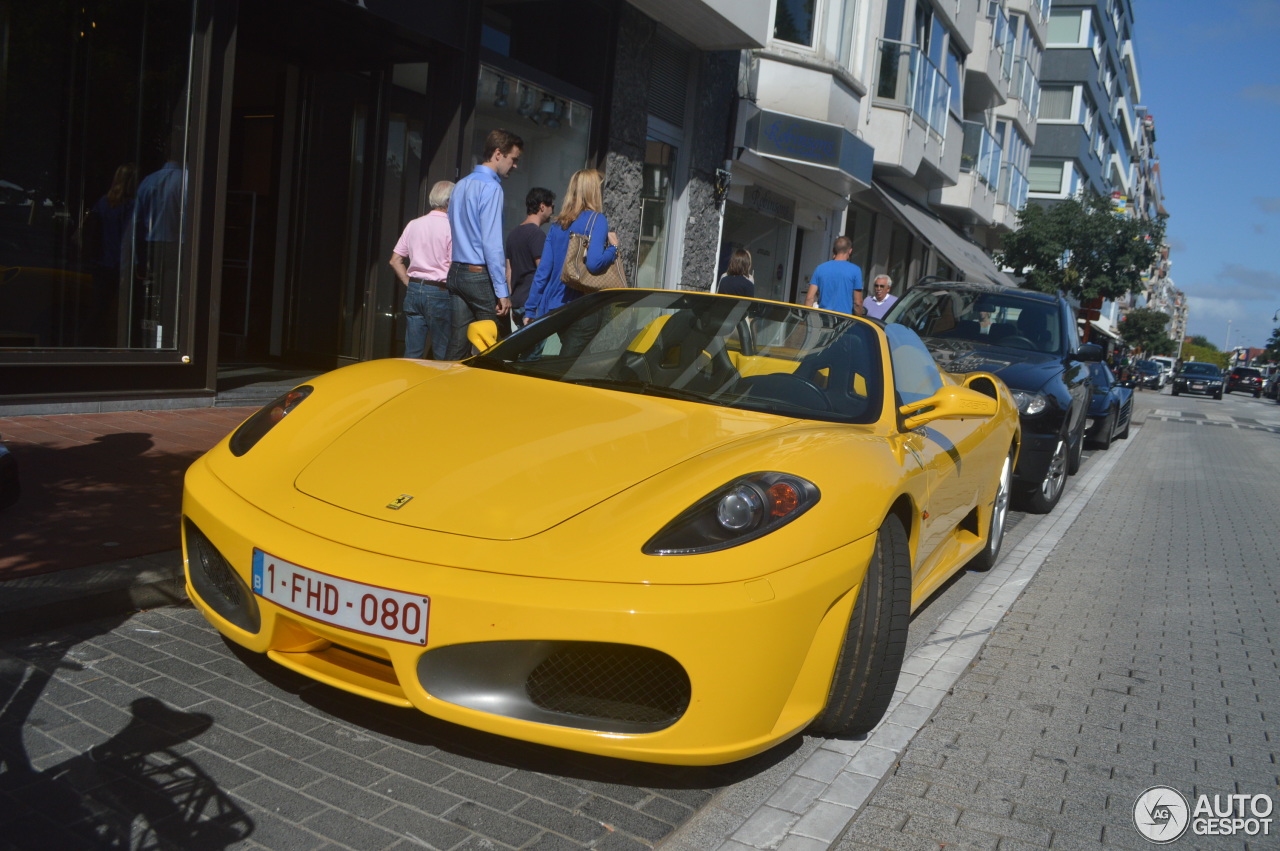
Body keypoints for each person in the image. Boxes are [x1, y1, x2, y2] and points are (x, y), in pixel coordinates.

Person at [445, 128, 523, 359]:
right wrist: (502, 291)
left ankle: (444, 391)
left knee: (458, 344)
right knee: (498, 343)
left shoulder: (460, 185)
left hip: (457, 271)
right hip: (478, 274)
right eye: (513, 159)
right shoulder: (491, 187)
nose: (515, 165)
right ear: (498, 154)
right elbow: (492, 243)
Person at [523, 169, 619, 356]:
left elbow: (543, 271)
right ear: (593, 191)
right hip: (581, 308)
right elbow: (594, 263)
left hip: (554, 307)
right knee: (570, 368)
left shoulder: (559, 224)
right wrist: (613, 249)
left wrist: (530, 309)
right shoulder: (597, 220)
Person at [389, 180, 454, 359]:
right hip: (439, 291)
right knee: (442, 353)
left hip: (415, 289)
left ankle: (411, 384)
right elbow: (452, 265)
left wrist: (409, 282)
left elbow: (395, 260)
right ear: (449, 201)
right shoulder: (452, 227)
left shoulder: (414, 224)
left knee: (412, 353)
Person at [503, 186, 555, 334]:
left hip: (518, 302)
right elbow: (543, 271)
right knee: (533, 352)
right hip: (532, 304)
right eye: (552, 206)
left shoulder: (513, 234)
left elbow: (509, 272)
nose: (553, 211)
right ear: (542, 207)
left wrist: (512, 300)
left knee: (523, 348)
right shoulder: (537, 235)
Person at [804, 237, 864, 316]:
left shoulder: (820, 268)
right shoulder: (855, 270)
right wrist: (859, 320)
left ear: (834, 250)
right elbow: (858, 303)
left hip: (824, 318)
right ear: (850, 251)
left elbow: (809, 298)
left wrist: (805, 317)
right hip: (844, 320)